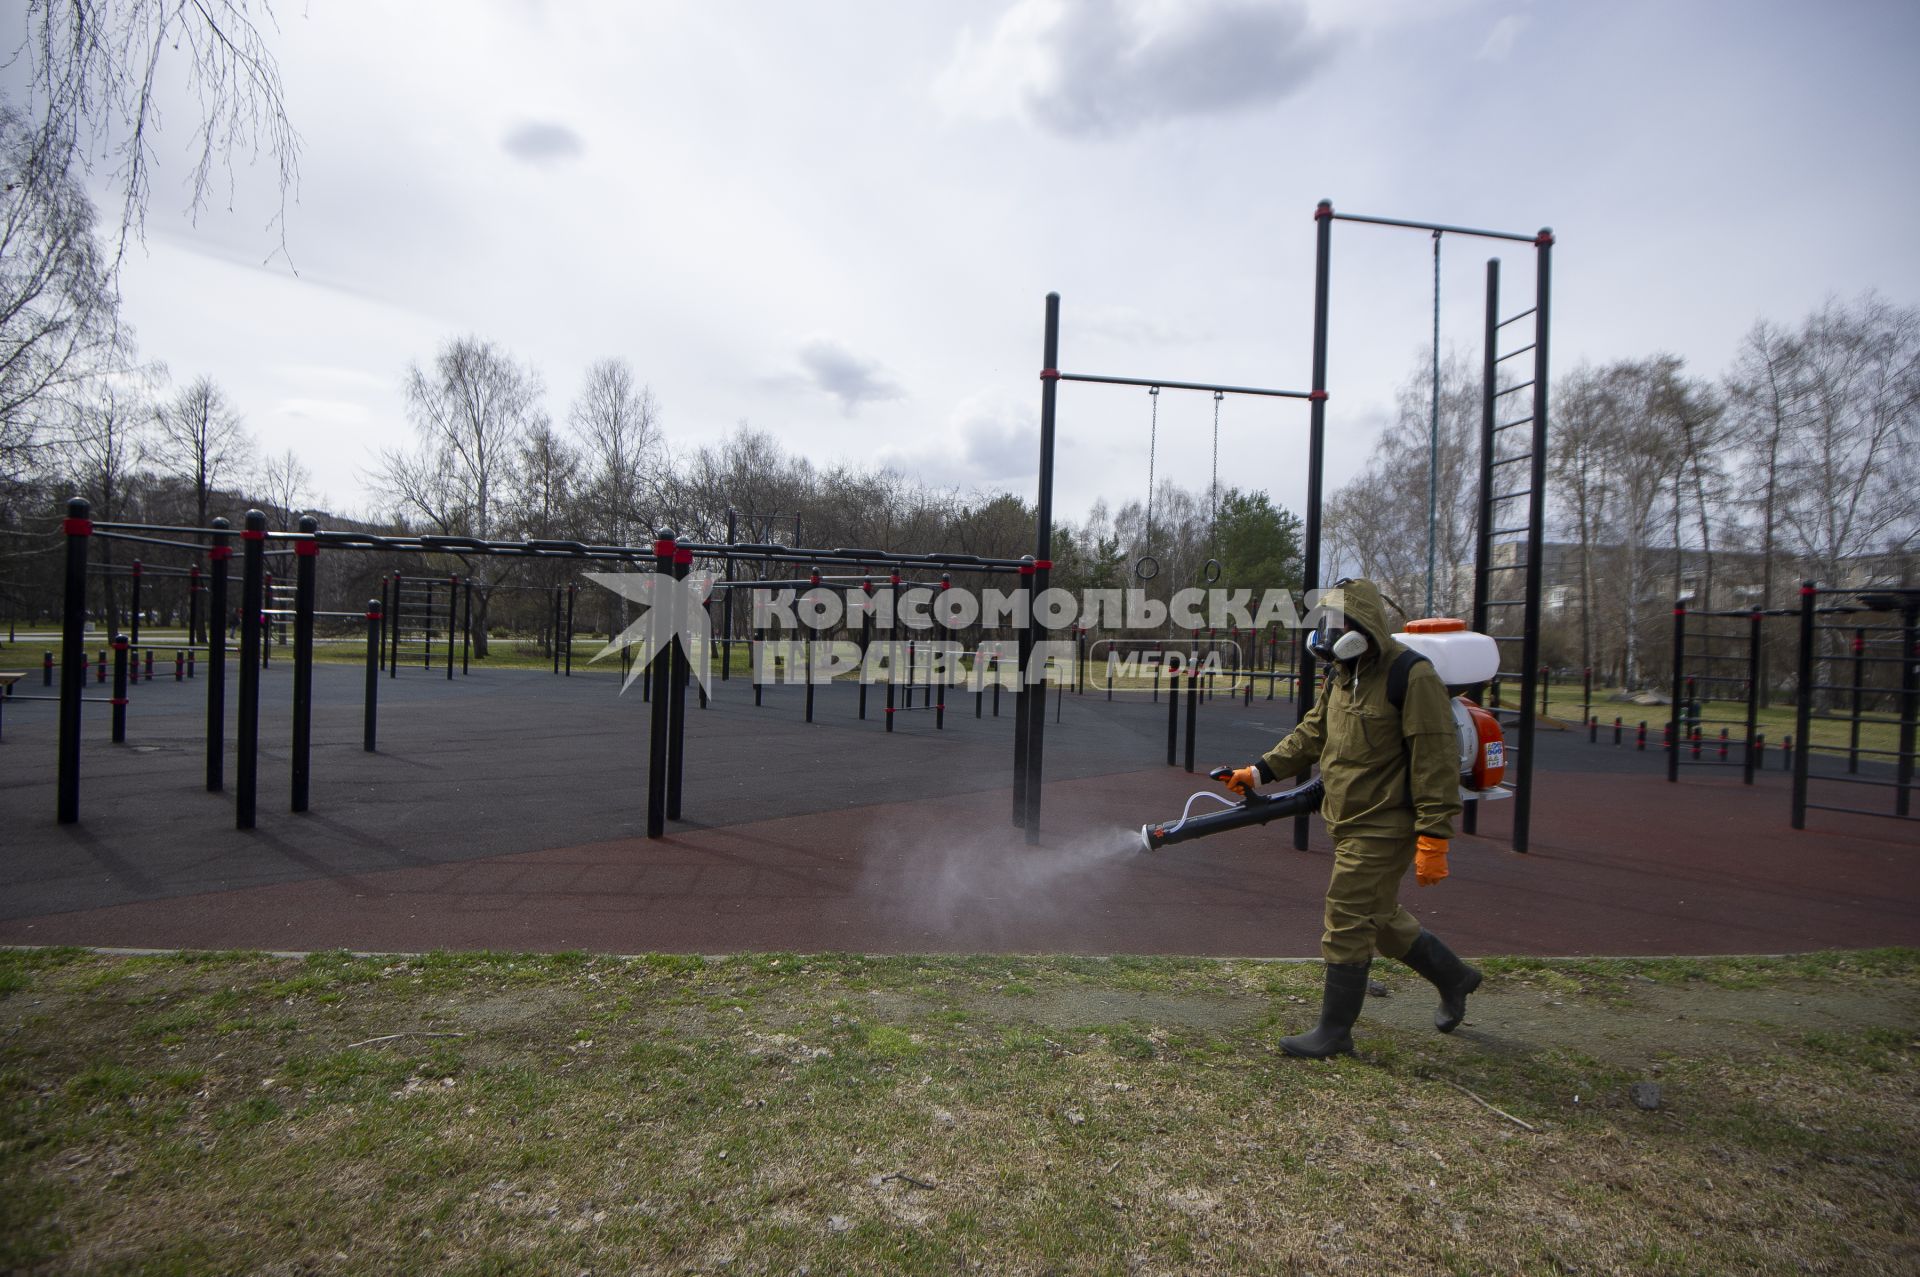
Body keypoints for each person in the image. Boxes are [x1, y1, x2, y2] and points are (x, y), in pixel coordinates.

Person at [1220, 577, 1481, 1058]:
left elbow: (1435, 759)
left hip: (1386, 822)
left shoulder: (1412, 675)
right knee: (1378, 920)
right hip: (1346, 817)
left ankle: (1334, 1033)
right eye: (1325, 623)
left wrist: (1434, 836)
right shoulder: (1343, 672)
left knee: (1345, 916)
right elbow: (1314, 731)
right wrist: (1260, 771)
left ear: (1363, 624)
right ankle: (1456, 977)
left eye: (1337, 622)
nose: (1328, 632)